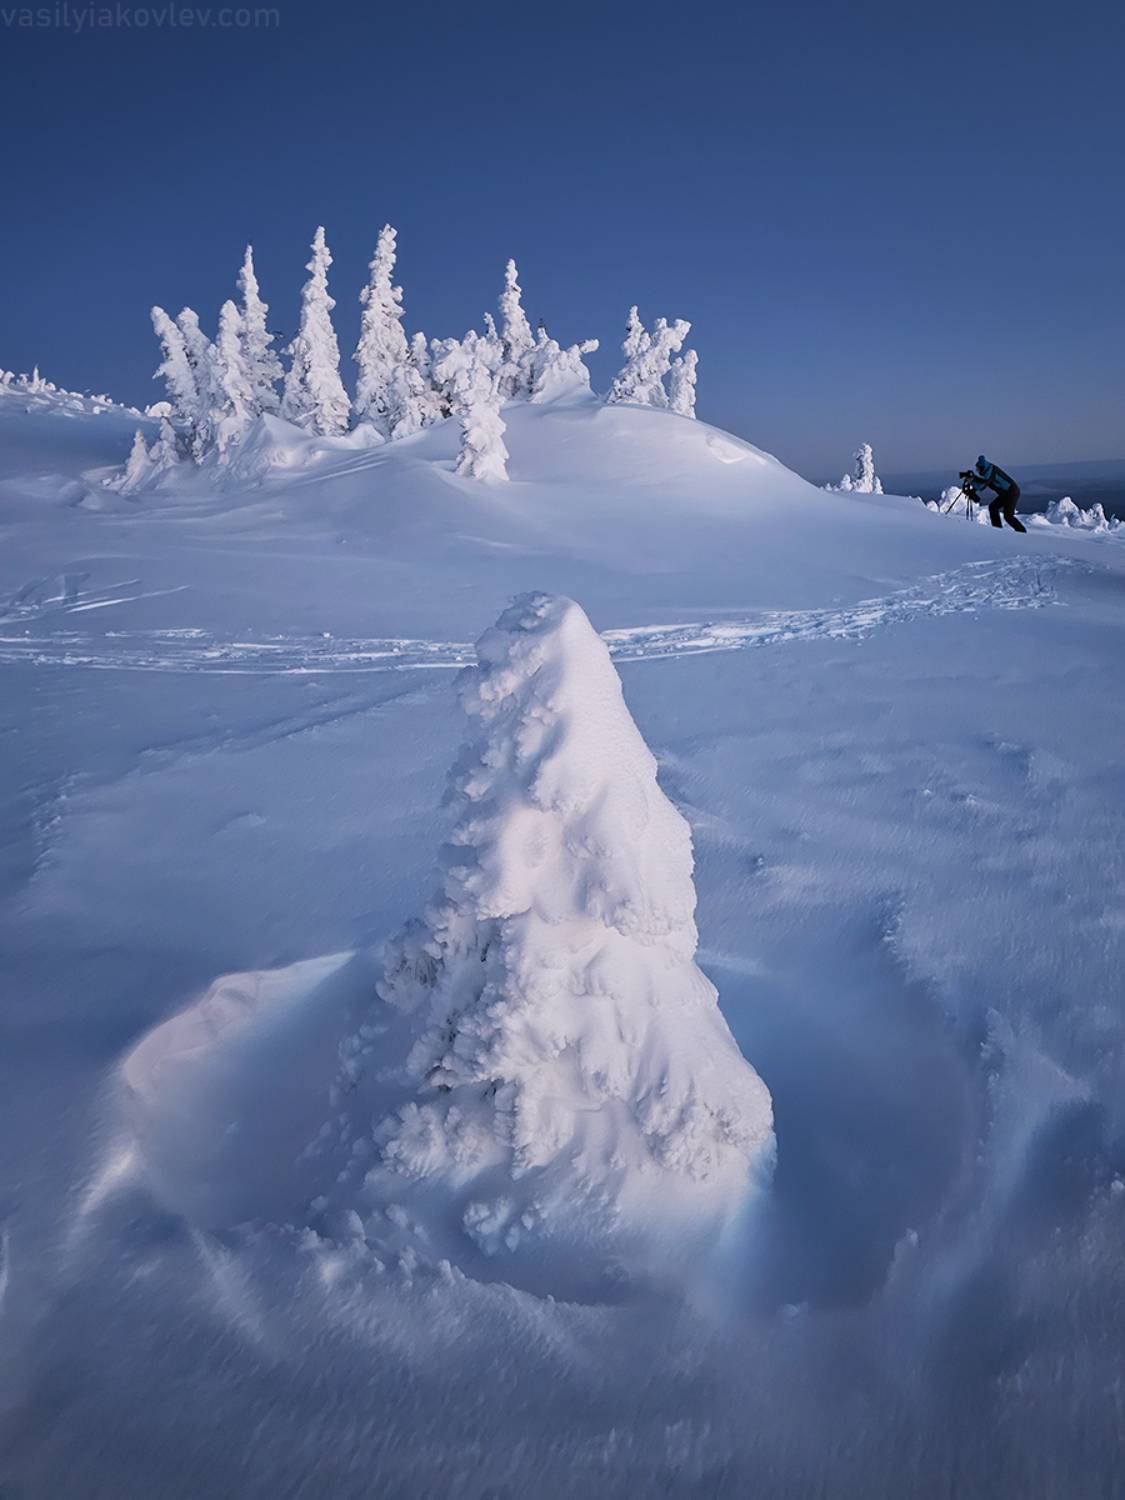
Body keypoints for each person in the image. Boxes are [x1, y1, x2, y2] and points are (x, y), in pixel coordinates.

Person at [971, 454, 1026, 532]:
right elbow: (984, 482)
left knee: (1008, 516)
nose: (977, 471)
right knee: (993, 507)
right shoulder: (989, 470)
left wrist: (971, 481)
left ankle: (1022, 532)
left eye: (977, 469)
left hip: (1011, 493)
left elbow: (981, 487)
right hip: (1006, 493)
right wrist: (974, 478)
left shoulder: (989, 473)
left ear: (982, 467)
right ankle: (997, 530)